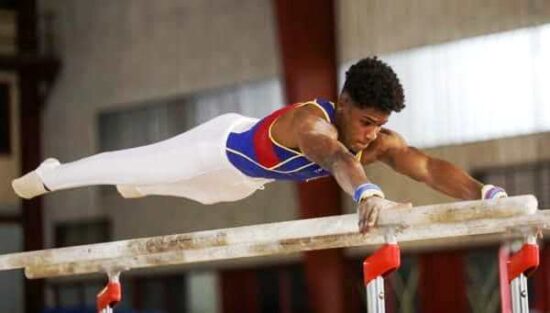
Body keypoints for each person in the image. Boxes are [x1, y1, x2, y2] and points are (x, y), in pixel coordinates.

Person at [12, 57, 507, 233]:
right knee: (139, 166)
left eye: (379, 125)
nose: (371, 135)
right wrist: (366, 193)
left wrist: (483, 195)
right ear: (341, 101)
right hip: (216, 147)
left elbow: (426, 169)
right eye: (364, 121)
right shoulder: (310, 125)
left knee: (204, 195)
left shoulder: (378, 143)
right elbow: (334, 156)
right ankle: (56, 173)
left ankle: (140, 187)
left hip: (244, 183)